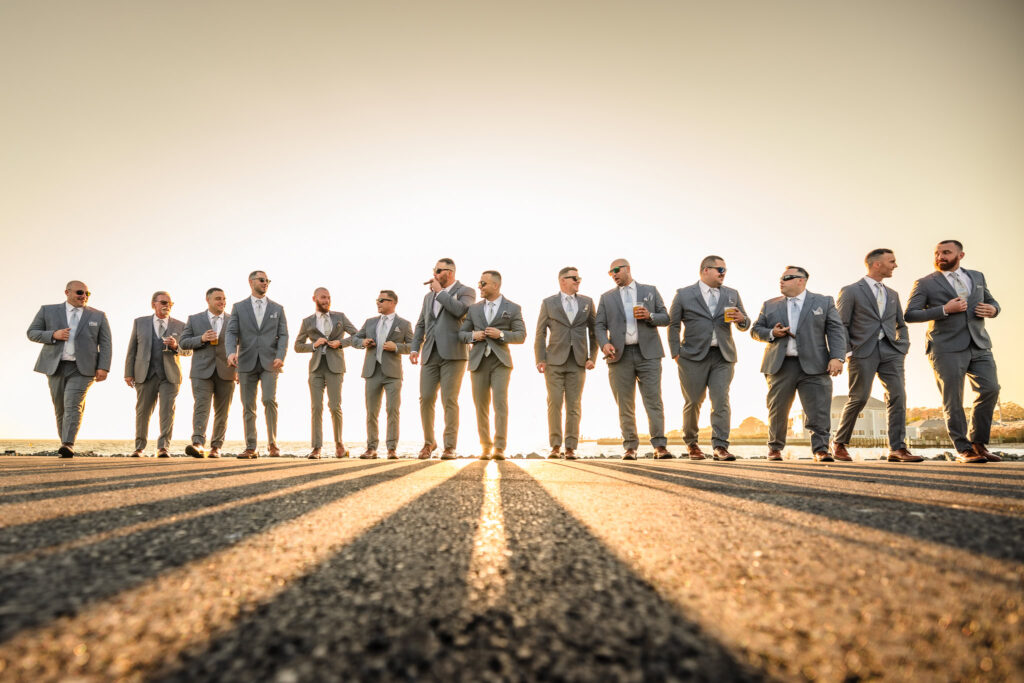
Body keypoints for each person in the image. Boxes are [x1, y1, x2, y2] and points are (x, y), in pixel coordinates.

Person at [905, 240, 1001, 464]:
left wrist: (994, 309)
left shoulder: (977, 277)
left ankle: (979, 443)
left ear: (961, 255)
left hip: (979, 344)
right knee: (953, 399)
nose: (940, 256)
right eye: (937, 253)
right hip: (945, 348)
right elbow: (910, 314)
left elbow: (991, 300)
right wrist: (944, 310)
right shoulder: (924, 283)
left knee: (990, 389)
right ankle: (963, 448)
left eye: (946, 252)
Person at [834, 250, 922, 463]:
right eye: (891, 261)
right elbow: (840, 325)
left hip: (892, 351)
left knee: (898, 396)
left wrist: (903, 346)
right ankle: (839, 444)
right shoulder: (851, 291)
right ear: (876, 264)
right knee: (860, 397)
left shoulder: (893, 294)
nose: (895, 265)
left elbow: (901, 323)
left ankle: (897, 448)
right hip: (862, 352)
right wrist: (846, 352)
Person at [752, 266, 846, 462]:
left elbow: (836, 331)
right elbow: (755, 330)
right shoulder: (769, 304)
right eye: (781, 278)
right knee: (777, 409)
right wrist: (771, 333)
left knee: (819, 410)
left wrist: (837, 357)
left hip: (816, 365)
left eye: (787, 278)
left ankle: (821, 450)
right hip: (780, 365)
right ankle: (775, 449)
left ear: (801, 280)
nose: (781, 281)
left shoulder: (824, 301)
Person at [668, 255, 750, 461]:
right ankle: (692, 443)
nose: (723, 274)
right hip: (691, 357)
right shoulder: (684, 294)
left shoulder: (732, 294)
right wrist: (676, 352)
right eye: (720, 270)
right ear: (705, 270)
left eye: (725, 271)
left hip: (723, 355)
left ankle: (720, 446)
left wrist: (742, 320)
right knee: (694, 401)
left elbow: (745, 323)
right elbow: (674, 325)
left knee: (721, 400)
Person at [594, 259, 673, 460]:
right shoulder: (606, 298)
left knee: (653, 401)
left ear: (628, 269)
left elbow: (666, 318)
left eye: (616, 270)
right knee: (625, 404)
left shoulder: (650, 290)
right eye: (610, 272)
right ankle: (630, 447)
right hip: (618, 356)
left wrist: (649, 315)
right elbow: (599, 326)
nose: (613, 274)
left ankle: (660, 446)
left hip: (649, 354)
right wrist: (604, 344)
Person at [27, 280, 112, 458]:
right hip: (55, 366)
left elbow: (105, 344)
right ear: (67, 292)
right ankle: (64, 443)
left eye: (87, 294)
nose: (84, 297)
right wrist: (53, 335)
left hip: (83, 369)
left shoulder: (98, 316)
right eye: (80, 292)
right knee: (60, 408)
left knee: (72, 404)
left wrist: (103, 367)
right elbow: (32, 332)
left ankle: (68, 443)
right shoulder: (47, 310)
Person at [410, 258, 476, 459]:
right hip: (430, 352)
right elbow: (421, 323)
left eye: (438, 270)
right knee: (426, 398)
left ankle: (450, 446)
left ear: (450, 272)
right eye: (434, 270)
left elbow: (459, 311)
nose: (434, 274)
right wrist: (415, 348)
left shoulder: (467, 291)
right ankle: (429, 443)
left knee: (449, 399)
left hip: (454, 353)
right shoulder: (428, 297)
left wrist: (440, 292)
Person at [460, 271, 527, 460]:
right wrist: (474, 336)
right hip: (478, 361)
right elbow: (461, 334)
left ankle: (499, 447)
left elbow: (521, 336)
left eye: (483, 283)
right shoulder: (473, 310)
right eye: (479, 283)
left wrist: (502, 335)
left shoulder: (513, 308)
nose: (479, 286)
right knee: (480, 406)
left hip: (501, 362)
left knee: (500, 404)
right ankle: (485, 447)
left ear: (495, 285)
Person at [534, 266, 597, 460]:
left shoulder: (587, 302)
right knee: (554, 403)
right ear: (563, 281)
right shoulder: (548, 303)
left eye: (579, 278)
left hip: (578, 361)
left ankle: (570, 447)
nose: (578, 281)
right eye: (574, 278)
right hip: (553, 361)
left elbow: (594, 331)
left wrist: (592, 357)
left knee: (574, 405)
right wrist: (540, 359)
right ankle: (555, 446)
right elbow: (540, 332)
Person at [225, 270, 288, 459]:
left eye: (267, 280)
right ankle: (251, 446)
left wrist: (280, 355)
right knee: (248, 405)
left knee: (269, 400)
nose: (265, 283)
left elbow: (283, 335)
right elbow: (231, 333)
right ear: (251, 282)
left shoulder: (277, 308)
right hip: (245, 361)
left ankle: (272, 444)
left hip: (271, 362)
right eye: (262, 280)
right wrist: (230, 353)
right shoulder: (238, 307)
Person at [124, 291, 191, 457]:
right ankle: (139, 447)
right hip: (144, 374)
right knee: (142, 411)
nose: (166, 306)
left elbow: (188, 351)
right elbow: (132, 349)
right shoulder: (140, 323)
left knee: (167, 411)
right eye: (163, 302)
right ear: (154, 303)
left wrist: (176, 346)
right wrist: (128, 373)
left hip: (170, 375)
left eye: (169, 303)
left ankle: (163, 447)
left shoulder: (181, 325)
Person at [293, 288, 358, 459]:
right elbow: (298, 346)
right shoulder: (307, 321)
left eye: (329, 297)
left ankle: (339, 445)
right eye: (323, 297)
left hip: (335, 367)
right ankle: (316, 448)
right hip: (316, 368)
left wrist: (341, 342)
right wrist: (314, 345)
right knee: (316, 408)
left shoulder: (340, 317)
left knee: (335, 406)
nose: (327, 300)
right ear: (314, 298)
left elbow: (358, 336)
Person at [351, 291, 413, 459]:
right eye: (377, 300)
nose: (377, 303)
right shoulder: (370, 322)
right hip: (372, 371)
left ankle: (392, 449)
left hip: (393, 374)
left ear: (392, 302)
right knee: (371, 412)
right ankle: (371, 448)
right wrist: (362, 342)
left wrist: (397, 347)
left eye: (381, 300)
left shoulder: (404, 324)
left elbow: (413, 346)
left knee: (392, 410)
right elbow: (354, 339)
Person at [180, 288, 236, 458]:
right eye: (218, 298)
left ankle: (216, 447)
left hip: (227, 371)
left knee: (222, 411)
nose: (222, 302)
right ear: (208, 300)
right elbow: (183, 343)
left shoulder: (234, 320)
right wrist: (201, 339)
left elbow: (241, 345)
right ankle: (197, 443)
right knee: (201, 407)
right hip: (201, 371)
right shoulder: (194, 319)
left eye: (224, 299)